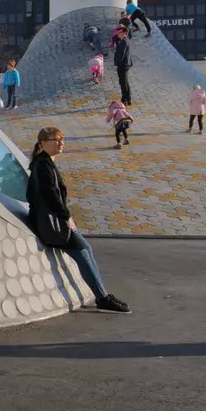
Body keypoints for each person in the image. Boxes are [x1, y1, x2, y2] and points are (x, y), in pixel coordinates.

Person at [24, 128, 130, 313]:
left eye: (62, 139)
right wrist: (67, 217)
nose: (61, 143)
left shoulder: (46, 163)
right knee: (82, 251)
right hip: (53, 223)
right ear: (43, 143)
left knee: (86, 249)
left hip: (54, 220)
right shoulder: (43, 165)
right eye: (56, 140)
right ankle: (102, 298)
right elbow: (50, 196)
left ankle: (103, 295)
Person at [112, 26, 134, 105]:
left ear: (125, 33)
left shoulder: (124, 42)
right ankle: (127, 99)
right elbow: (114, 38)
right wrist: (118, 33)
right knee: (124, 82)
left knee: (123, 82)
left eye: (120, 32)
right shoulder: (123, 39)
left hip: (123, 64)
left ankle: (125, 99)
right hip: (125, 64)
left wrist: (116, 64)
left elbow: (120, 55)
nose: (118, 33)